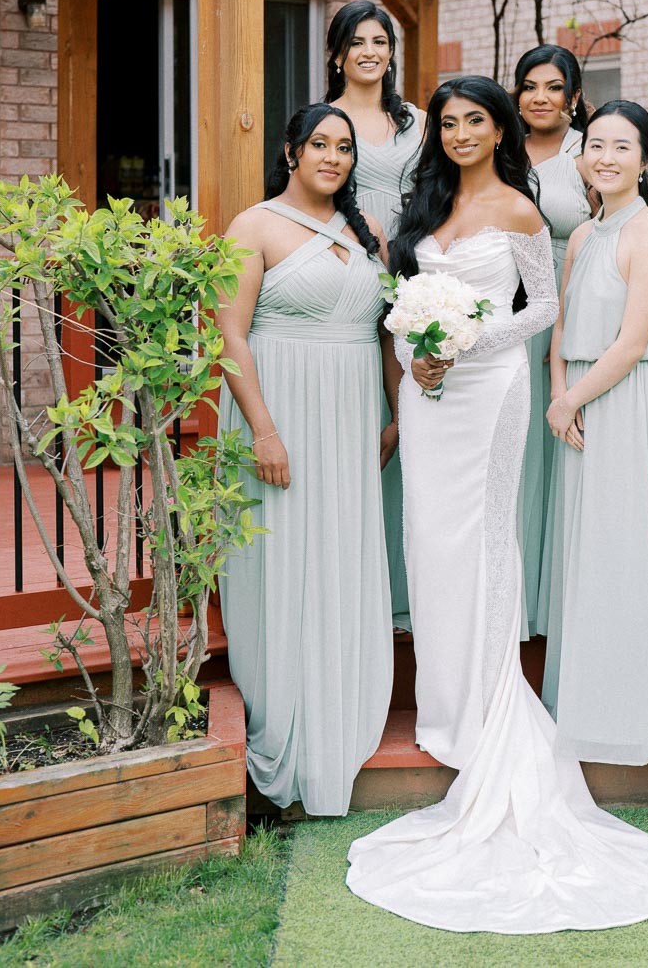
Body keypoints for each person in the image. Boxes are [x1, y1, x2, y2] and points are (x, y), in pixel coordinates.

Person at [346, 78, 648, 933]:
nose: (462, 133)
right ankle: (444, 710)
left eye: (476, 121)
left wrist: (462, 340)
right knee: (428, 541)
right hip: (430, 398)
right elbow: (400, 306)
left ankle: (489, 711)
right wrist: (418, 347)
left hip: (490, 393)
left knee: (483, 542)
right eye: (450, 122)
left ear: (500, 129)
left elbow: (540, 311)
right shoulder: (424, 208)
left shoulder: (525, 211)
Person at [217, 103, 396, 816]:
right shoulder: (253, 226)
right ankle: (287, 706)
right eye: (319, 143)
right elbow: (230, 332)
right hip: (282, 406)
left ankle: (339, 697)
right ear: (291, 151)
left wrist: (395, 414)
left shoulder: (371, 233)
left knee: (342, 550)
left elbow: (387, 332)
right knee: (284, 553)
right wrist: (263, 430)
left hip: (354, 415)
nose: (333, 156)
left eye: (345, 147)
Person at [542, 100, 648, 766]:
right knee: (582, 556)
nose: (606, 157)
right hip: (576, 405)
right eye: (596, 144)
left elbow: (632, 343)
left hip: (624, 405)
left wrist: (571, 397)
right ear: (582, 157)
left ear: (645, 158)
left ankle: (624, 713)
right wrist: (559, 395)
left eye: (623, 146)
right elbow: (559, 327)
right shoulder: (582, 237)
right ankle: (578, 705)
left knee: (620, 552)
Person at [324, 1, 424, 631]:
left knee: (411, 400)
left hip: (415, 258)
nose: (370, 51)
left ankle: (403, 589)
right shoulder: (327, 119)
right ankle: (352, 587)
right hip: (351, 255)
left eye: (380, 41)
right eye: (357, 41)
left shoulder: (413, 118)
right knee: (362, 399)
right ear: (337, 53)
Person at [511, 44, 592, 637]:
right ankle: (513, 599)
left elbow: (609, 233)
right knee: (514, 451)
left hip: (571, 308)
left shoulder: (589, 153)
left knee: (560, 448)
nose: (540, 97)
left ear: (574, 96)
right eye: (529, 85)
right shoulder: (497, 148)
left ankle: (557, 601)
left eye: (553, 86)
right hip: (506, 311)